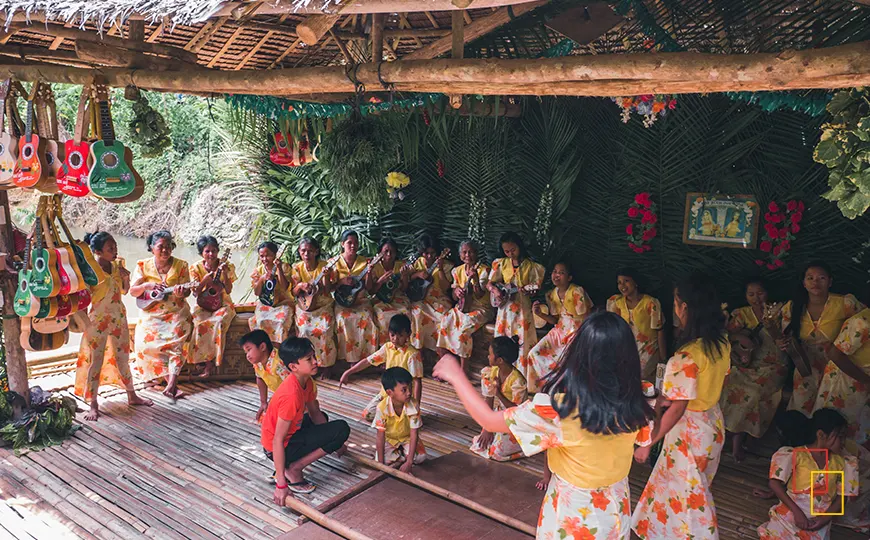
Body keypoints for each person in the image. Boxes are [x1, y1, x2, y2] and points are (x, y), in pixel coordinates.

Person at [434, 311, 653, 539]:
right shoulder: (638, 399)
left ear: (579, 354)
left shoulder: (561, 412)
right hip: (615, 509)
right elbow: (644, 439)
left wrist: (456, 375)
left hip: (573, 514)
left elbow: (488, 420)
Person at [631, 273, 731, 540]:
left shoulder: (685, 357)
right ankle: (660, 531)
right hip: (712, 424)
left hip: (688, 433)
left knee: (689, 495)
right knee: (683, 487)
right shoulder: (721, 344)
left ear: (684, 307)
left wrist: (647, 443)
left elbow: (677, 409)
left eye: (675, 302)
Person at [75, 231, 151, 420]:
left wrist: (125, 278)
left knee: (123, 357)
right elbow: (83, 298)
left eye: (115, 246)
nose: (115, 251)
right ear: (98, 251)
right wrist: (81, 322)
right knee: (96, 360)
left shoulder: (118, 266)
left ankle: (132, 395)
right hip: (97, 320)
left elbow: (124, 291)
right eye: (110, 248)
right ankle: (93, 404)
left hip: (118, 318)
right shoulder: (90, 271)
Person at [263, 337, 350, 500]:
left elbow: (315, 414)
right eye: (309, 359)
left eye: (314, 357)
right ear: (293, 367)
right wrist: (281, 485)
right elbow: (277, 440)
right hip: (276, 448)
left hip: (288, 439)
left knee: (323, 417)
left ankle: (286, 467)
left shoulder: (306, 381)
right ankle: (294, 468)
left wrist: (336, 443)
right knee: (342, 428)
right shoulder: (291, 395)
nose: (316, 362)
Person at [757, 408, 858, 540]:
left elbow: (842, 497)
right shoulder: (795, 455)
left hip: (818, 520)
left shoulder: (844, 463)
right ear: (821, 435)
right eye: (840, 436)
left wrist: (825, 519)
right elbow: (774, 483)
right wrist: (797, 512)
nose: (844, 442)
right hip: (790, 514)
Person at [781, 262, 864, 416]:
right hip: (806, 365)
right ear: (803, 283)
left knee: (830, 410)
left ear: (830, 282)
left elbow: (864, 326)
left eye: (821, 278)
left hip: (838, 365)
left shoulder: (845, 303)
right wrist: (781, 342)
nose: (815, 282)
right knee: (801, 409)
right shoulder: (793, 307)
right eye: (810, 278)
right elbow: (783, 335)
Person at [721, 277, 788, 462]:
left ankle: (745, 439)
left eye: (760, 293)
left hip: (775, 366)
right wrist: (741, 339)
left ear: (768, 293)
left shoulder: (780, 311)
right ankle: (736, 440)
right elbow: (726, 333)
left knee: (754, 392)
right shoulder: (742, 314)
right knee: (731, 384)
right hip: (749, 363)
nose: (756, 298)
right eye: (751, 294)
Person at [130, 230, 193, 400]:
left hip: (176, 312)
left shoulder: (182, 266)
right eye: (160, 247)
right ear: (152, 248)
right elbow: (133, 291)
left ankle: (172, 383)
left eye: (168, 247)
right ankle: (169, 381)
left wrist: (181, 293)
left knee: (177, 340)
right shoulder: (142, 265)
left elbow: (186, 291)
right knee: (144, 343)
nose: (165, 250)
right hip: (151, 311)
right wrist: (147, 286)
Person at [339, 314, 423, 417]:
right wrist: (348, 372)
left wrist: (416, 406)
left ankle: (399, 414)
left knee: (403, 419)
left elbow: (417, 381)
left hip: (403, 396)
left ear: (408, 334)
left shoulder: (413, 354)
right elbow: (367, 361)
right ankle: (394, 414)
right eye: (392, 335)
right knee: (368, 414)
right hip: (387, 393)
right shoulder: (387, 348)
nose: (395, 339)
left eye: (400, 335)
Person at [527, 261, 593, 392]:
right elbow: (554, 320)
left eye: (561, 273)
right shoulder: (551, 295)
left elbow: (587, 317)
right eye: (555, 272)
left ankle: (560, 392)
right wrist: (540, 314)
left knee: (564, 362)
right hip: (558, 331)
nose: (556, 275)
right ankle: (540, 391)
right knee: (533, 353)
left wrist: (584, 338)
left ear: (569, 278)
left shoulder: (577, 292)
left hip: (578, 332)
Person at [813, 305, 870, 441]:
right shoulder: (862, 322)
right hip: (844, 383)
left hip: (864, 385)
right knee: (833, 431)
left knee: (857, 431)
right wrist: (866, 380)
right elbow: (835, 354)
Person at [487, 232, 545, 363]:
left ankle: (522, 372)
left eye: (513, 250)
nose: (510, 254)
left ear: (520, 247)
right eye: (506, 251)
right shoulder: (500, 263)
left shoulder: (531, 266)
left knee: (522, 339)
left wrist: (529, 291)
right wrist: (495, 290)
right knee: (502, 339)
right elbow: (489, 283)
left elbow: (535, 289)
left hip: (522, 310)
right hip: (505, 309)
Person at [436, 240, 492, 374]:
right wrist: (456, 292)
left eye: (471, 252)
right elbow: (455, 298)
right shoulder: (457, 271)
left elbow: (479, 296)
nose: (468, 255)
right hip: (462, 307)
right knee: (444, 323)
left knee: (463, 330)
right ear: (460, 255)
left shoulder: (484, 270)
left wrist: (476, 280)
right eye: (464, 252)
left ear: (476, 253)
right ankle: (445, 365)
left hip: (481, 308)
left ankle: (463, 369)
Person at [470, 336, 527, 462]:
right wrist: (487, 428)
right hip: (499, 415)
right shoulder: (491, 372)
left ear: (499, 360)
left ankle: (523, 446)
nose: (488, 357)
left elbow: (516, 411)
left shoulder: (518, 381)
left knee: (497, 453)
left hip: (515, 420)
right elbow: (488, 400)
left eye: (490, 354)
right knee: (480, 444)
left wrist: (499, 394)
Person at [606, 268, 666, 381]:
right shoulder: (615, 302)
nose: (622, 285)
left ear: (636, 282)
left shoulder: (651, 303)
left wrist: (663, 358)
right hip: (624, 350)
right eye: (619, 282)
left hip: (648, 352)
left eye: (626, 281)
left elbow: (660, 331)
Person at [189, 235, 237, 379]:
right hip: (203, 304)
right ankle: (199, 361)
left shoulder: (227, 266)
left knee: (217, 322)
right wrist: (204, 281)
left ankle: (210, 362)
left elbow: (228, 290)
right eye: (207, 251)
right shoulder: (195, 268)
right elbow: (195, 293)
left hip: (223, 304)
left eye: (214, 251)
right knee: (198, 323)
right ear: (201, 253)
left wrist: (225, 275)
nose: (211, 254)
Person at [291, 237, 337, 378]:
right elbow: (293, 292)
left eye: (310, 251)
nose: (306, 254)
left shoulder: (325, 266)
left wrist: (325, 277)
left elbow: (329, 289)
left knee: (325, 329)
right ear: (299, 252)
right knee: (304, 329)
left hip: (323, 305)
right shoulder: (296, 268)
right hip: (304, 307)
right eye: (303, 251)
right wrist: (300, 286)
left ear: (316, 252)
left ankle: (326, 365)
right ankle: (307, 365)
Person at [334, 230, 378, 365]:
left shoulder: (365, 262)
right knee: (343, 319)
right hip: (342, 302)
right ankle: (348, 359)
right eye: (349, 243)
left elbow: (370, 288)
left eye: (356, 243)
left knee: (367, 319)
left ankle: (366, 359)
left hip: (361, 300)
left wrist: (369, 273)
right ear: (342, 244)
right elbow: (329, 288)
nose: (353, 246)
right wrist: (341, 282)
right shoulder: (334, 262)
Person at [373, 367, 427, 474]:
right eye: (404, 389)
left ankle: (403, 456)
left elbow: (414, 434)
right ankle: (401, 454)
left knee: (421, 457)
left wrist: (409, 462)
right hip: (390, 439)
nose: (409, 393)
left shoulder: (413, 405)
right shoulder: (382, 408)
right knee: (381, 459)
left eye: (410, 387)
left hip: (407, 438)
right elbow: (380, 436)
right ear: (390, 392)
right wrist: (380, 464)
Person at [409, 234, 453, 352]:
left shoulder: (447, 266)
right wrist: (417, 275)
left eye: (432, 253)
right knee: (417, 314)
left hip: (440, 300)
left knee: (444, 318)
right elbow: (407, 278)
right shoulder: (419, 262)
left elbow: (445, 288)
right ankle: (418, 350)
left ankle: (440, 351)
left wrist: (441, 269)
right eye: (425, 253)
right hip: (421, 299)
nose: (429, 256)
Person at [249, 241, 294, 343]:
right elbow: (257, 293)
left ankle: (280, 350)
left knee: (281, 322)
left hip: (283, 302)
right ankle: (265, 349)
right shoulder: (258, 271)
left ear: (276, 255)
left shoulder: (284, 267)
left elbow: (285, 287)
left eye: (268, 255)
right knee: (260, 321)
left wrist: (279, 270)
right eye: (262, 256)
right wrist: (261, 279)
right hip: (265, 302)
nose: (264, 259)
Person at [240, 329, 289, 422]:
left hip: (297, 393)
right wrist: (264, 402)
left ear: (262, 347)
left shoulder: (279, 363)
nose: (247, 355)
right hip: (281, 394)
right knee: (265, 419)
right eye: (246, 352)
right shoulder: (258, 363)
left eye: (249, 350)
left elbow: (294, 385)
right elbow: (260, 378)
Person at [371, 238, 411, 346]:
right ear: (380, 253)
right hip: (380, 299)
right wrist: (380, 282)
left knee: (405, 314)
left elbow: (404, 289)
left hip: (398, 298)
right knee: (383, 317)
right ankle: (386, 350)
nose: (389, 254)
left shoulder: (401, 266)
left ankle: (404, 348)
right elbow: (371, 291)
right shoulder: (375, 267)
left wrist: (405, 276)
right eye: (386, 251)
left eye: (392, 251)